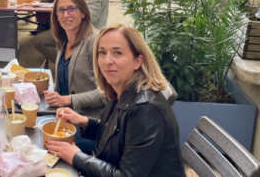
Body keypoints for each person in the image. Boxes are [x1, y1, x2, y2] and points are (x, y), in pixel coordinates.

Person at [45, 24, 185, 177]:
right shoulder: (120, 90)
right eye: (102, 53)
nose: (107, 61)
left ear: (138, 61)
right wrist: (83, 121)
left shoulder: (145, 109)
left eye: (117, 53)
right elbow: (116, 135)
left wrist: (76, 157)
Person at [43, 0, 105, 118]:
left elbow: (106, 92)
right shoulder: (64, 40)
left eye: (71, 9)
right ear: (56, 16)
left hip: (88, 122)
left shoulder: (95, 41)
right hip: (65, 115)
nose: (66, 15)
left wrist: (69, 99)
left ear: (83, 13)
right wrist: (53, 94)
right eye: (61, 10)